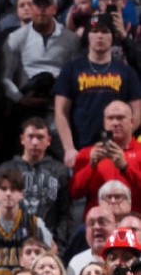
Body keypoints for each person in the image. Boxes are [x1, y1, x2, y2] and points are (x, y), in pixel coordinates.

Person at [0, 0, 81, 158]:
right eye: (37, 5)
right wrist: (21, 99)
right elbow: (5, 77)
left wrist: (62, 91)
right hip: (26, 103)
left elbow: (76, 75)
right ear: (32, 8)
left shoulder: (71, 39)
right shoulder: (16, 37)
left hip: (58, 104)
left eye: (46, 5)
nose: (41, 10)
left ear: (55, 9)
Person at [54, 15, 141, 168]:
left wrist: (123, 139)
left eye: (105, 31)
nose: (100, 35)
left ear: (113, 36)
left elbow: (137, 112)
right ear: (88, 36)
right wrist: (68, 148)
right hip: (81, 149)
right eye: (95, 31)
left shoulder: (127, 72)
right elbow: (60, 111)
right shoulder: (71, 69)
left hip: (117, 151)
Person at [0, 117, 72, 249]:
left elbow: (64, 213)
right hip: (12, 242)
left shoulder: (59, 171)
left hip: (48, 243)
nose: (35, 142)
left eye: (40, 137)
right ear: (22, 139)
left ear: (49, 140)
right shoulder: (6, 170)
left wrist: (60, 244)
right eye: (30, 136)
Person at [69, 101, 141, 216]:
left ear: (132, 122)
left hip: (134, 221)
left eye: (120, 118)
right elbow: (75, 192)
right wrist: (91, 166)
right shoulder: (87, 153)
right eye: (110, 118)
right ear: (104, 122)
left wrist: (125, 168)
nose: (115, 123)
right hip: (98, 222)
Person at [66, 204, 116, 275]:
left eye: (102, 222)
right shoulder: (76, 262)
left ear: (115, 227)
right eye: (91, 224)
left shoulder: (126, 259)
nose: (96, 227)